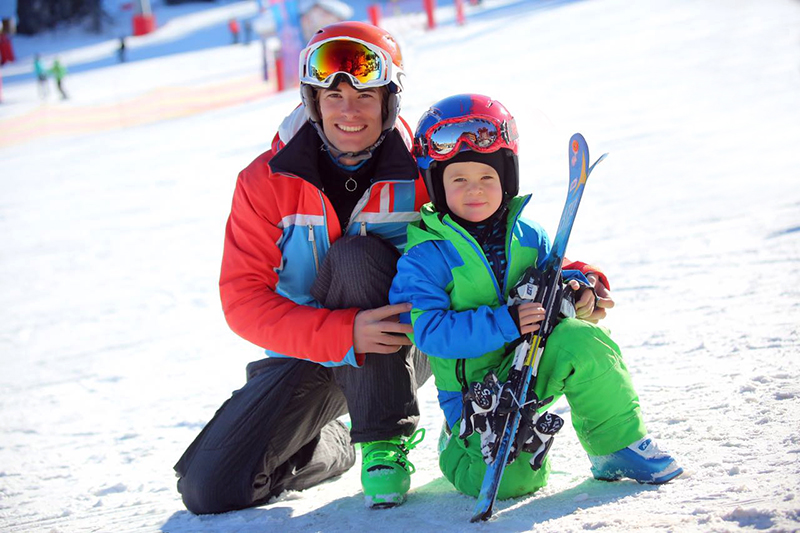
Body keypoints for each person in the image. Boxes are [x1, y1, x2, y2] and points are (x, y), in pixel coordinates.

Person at [174, 22, 432, 514]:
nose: (348, 110)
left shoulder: (425, 168)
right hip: (307, 349)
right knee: (210, 489)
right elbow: (243, 300)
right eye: (332, 95)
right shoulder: (265, 181)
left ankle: (382, 438)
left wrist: (570, 277)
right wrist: (340, 331)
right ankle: (330, 446)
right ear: (312, 101)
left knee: (356, 257)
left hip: (398, 344)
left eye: (366, 95)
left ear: (390, 99)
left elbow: (493, 232)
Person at [389, 94, 683, 501]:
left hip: (530, 365)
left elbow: (552, 278)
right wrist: (504, 322)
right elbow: (430, 333)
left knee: (582, 340)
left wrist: (576, 289)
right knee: (518, 484)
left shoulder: (529, 236)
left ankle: (616, 447)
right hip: (477, 398)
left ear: (506, 179)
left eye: (487, 178)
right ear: (437, 184)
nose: (475, 190)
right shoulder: (425, 257)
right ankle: (458, 449)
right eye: (458, 179)